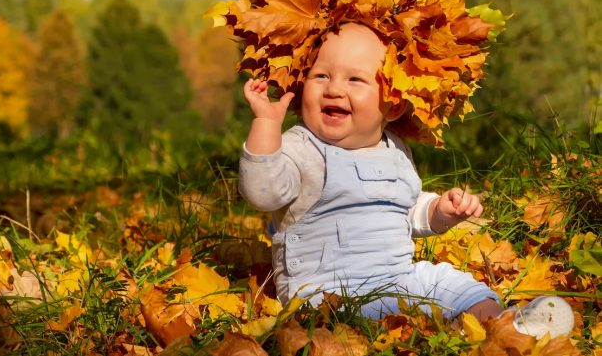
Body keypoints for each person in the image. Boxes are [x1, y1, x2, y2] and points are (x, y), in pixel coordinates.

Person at [237, 22, 574, 337]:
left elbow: (407, 206)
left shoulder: (394, 150)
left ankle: (502, 324)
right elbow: (262, 193)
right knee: (383, 310)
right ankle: (457, 326)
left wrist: (439, 211)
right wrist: (266, 125)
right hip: (326, 293)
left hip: (397, 276)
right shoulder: (301, 147)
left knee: (451, 283)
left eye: (355, 80)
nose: (334, 89)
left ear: (394, 106)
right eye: (321, 75)